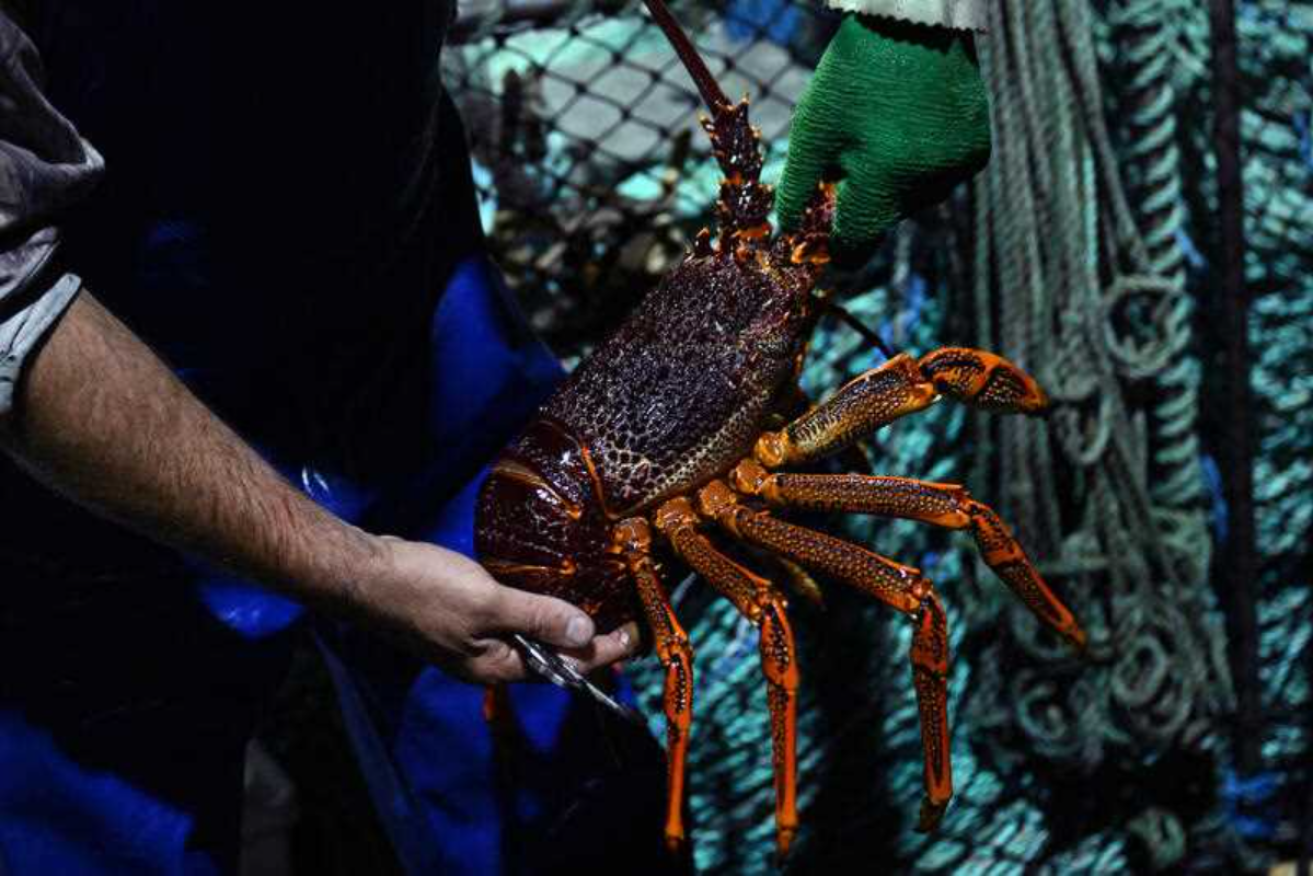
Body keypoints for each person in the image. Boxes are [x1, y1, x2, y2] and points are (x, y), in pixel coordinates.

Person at [0, 0, 989, 872]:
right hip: (79, 398)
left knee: (559, 789)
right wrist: (354, 570)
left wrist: (909, 12)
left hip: (402, 276)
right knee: (107, 816)